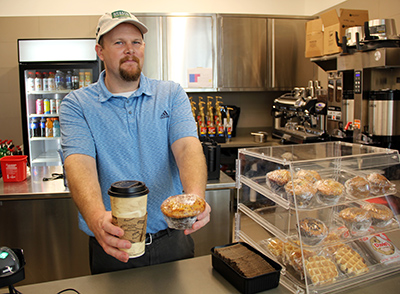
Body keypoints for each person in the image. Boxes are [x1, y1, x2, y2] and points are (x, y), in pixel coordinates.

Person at [59, 10, 210, 275]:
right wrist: (96, 219)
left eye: (136, 42)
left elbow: (187, 146)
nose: (130, 50)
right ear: (100, 51)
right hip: (114, 245)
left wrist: (195, 199)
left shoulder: (170, 94)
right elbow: (78, 164)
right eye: (119, 42)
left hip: (173, 240)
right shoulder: (77, 104)